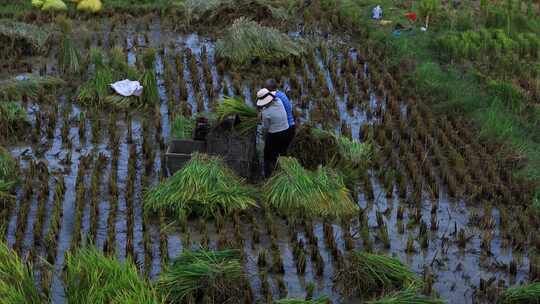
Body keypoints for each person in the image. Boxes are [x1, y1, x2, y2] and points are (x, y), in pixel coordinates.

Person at [257, 88, 294, 178]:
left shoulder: (266, 113)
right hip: (287, 132)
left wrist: (263, 136)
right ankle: (286, 173)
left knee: (268, 155)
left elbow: (265, 128)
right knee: (283, 153)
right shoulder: (279, 101)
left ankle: (268, 176)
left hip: (276, 135)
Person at [264, 79, 295, 147]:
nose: (265, 91)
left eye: (266, 89)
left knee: (269, 151)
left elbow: (269, 115)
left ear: (270, 89)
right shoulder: (281, 94)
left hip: (286, 128)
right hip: (291, 126)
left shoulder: (275, 98)